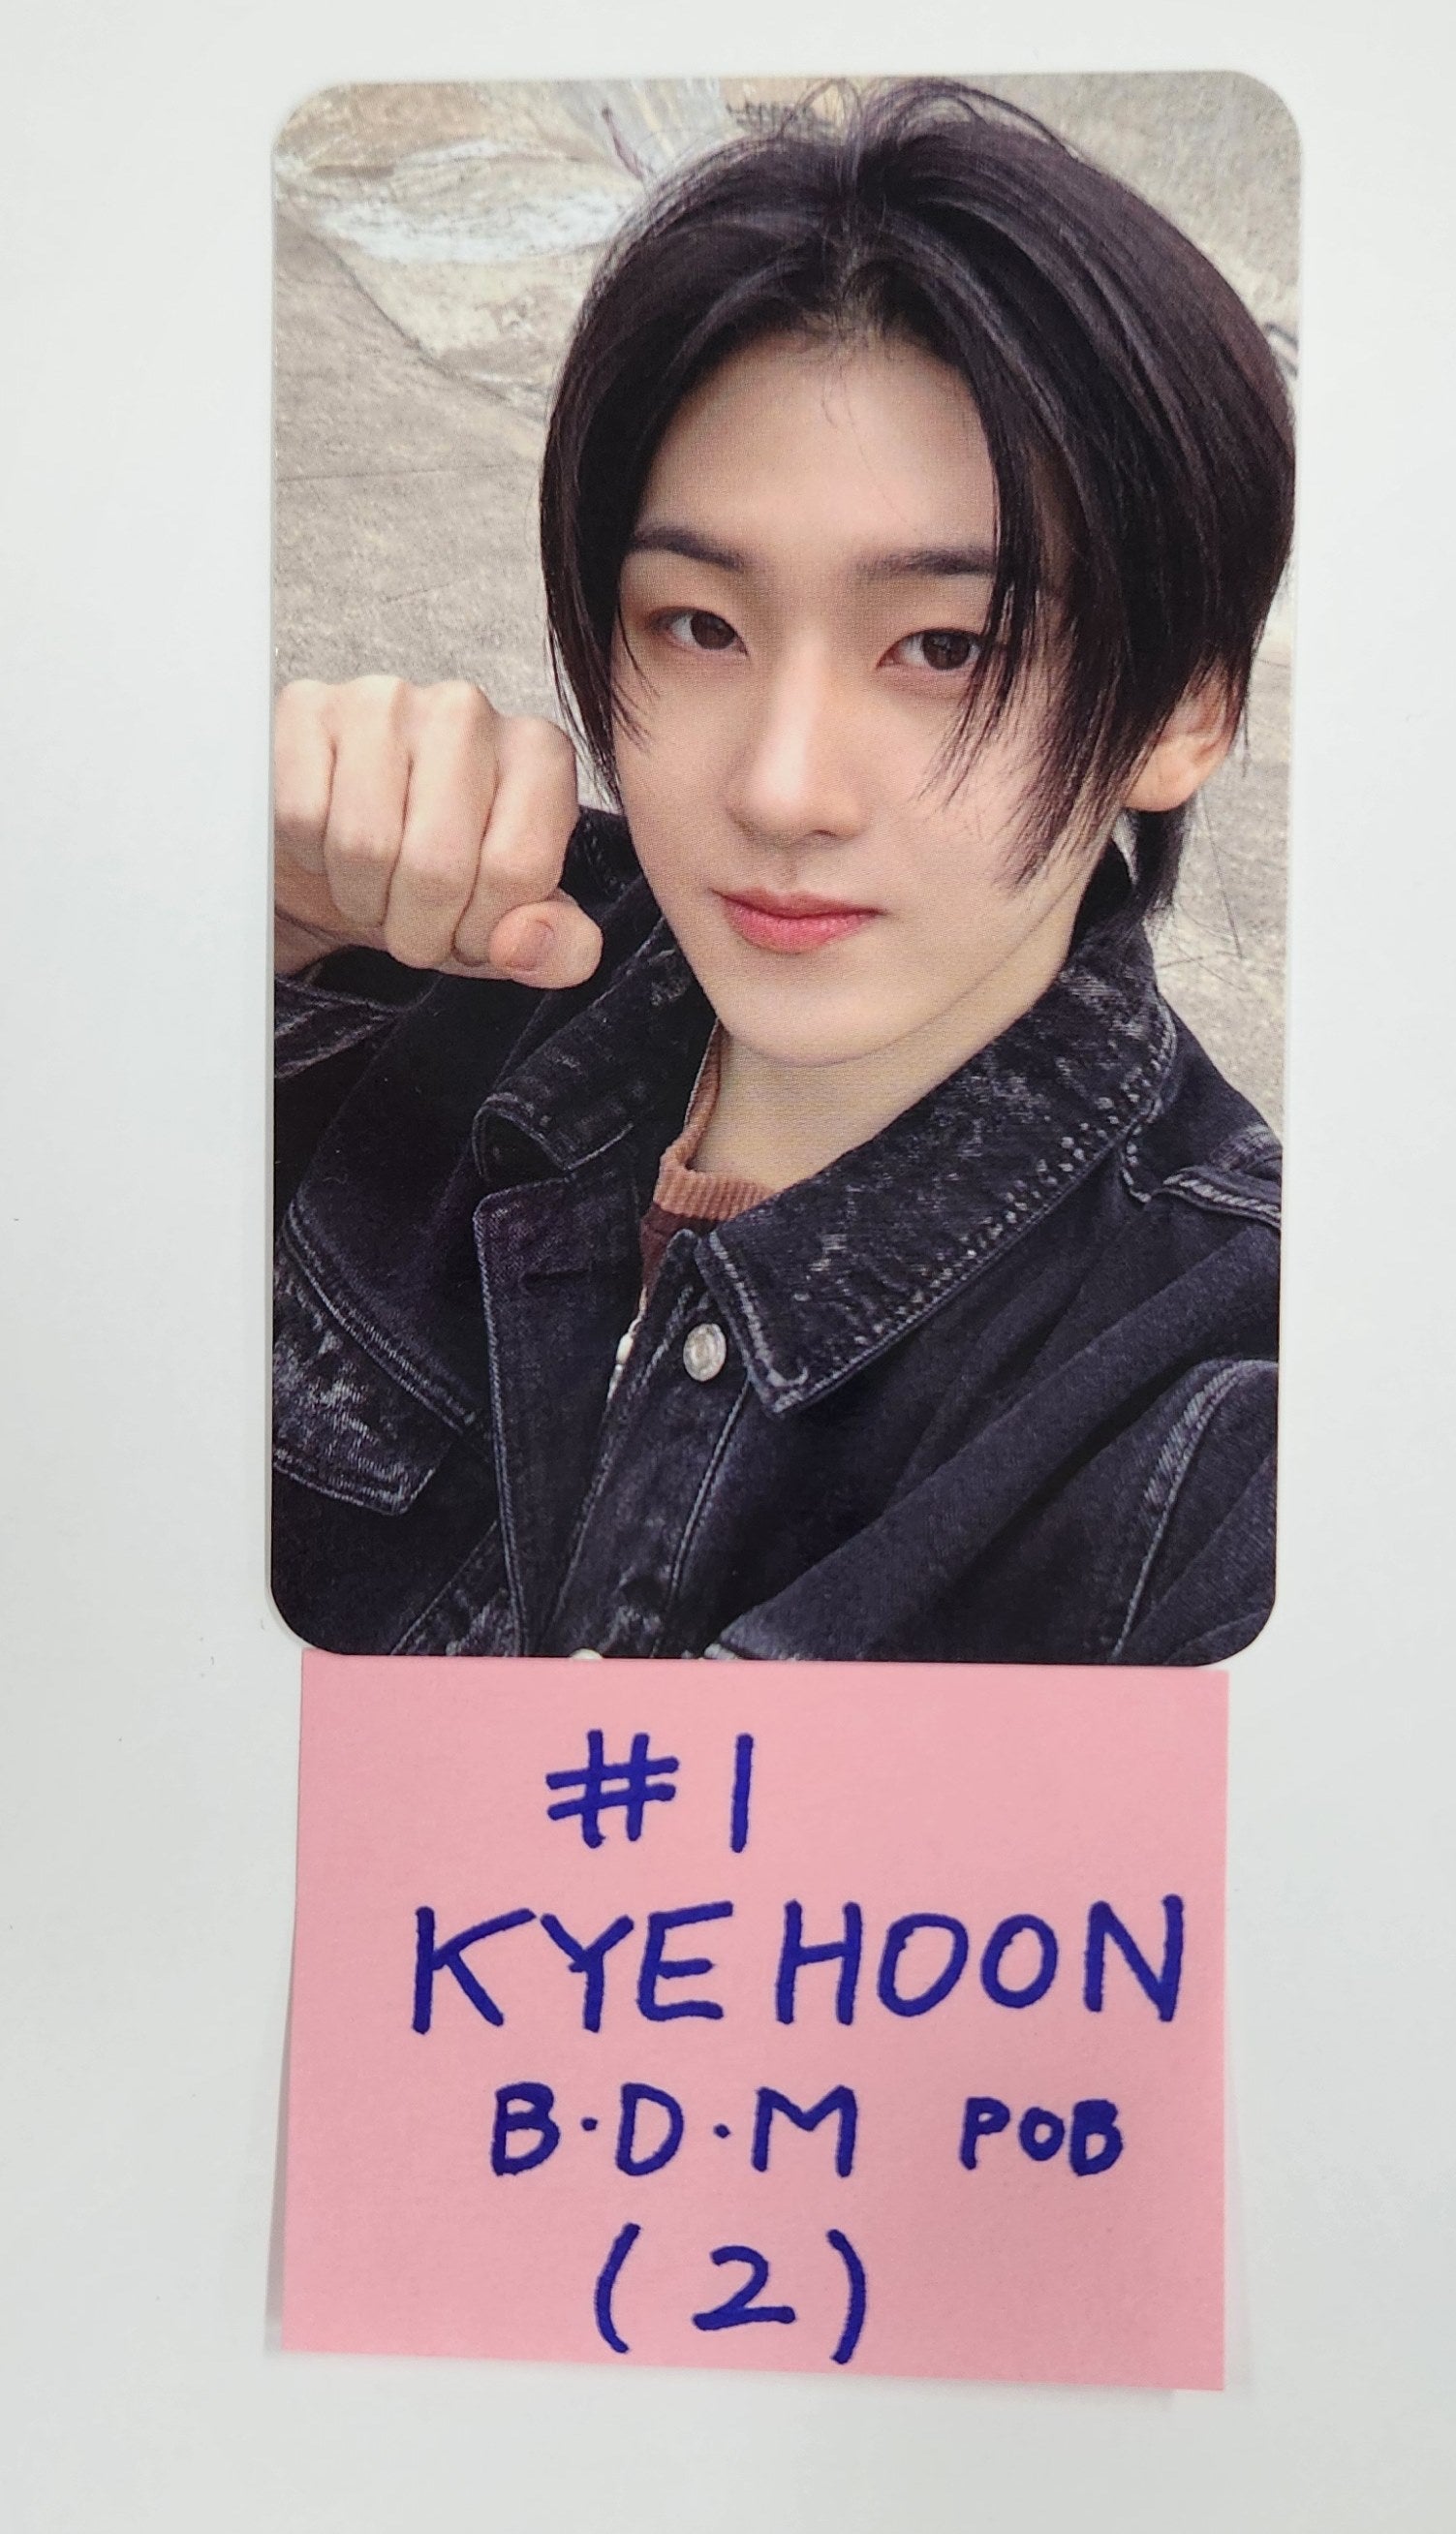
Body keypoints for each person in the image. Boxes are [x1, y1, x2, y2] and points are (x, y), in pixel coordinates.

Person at [272, 80, 1292, 1665]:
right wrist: (224, 930)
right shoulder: (414, 962)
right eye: (699, 625)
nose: (779, 789)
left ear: (1181, 715)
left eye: (946, 648)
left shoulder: (1237, 1403)